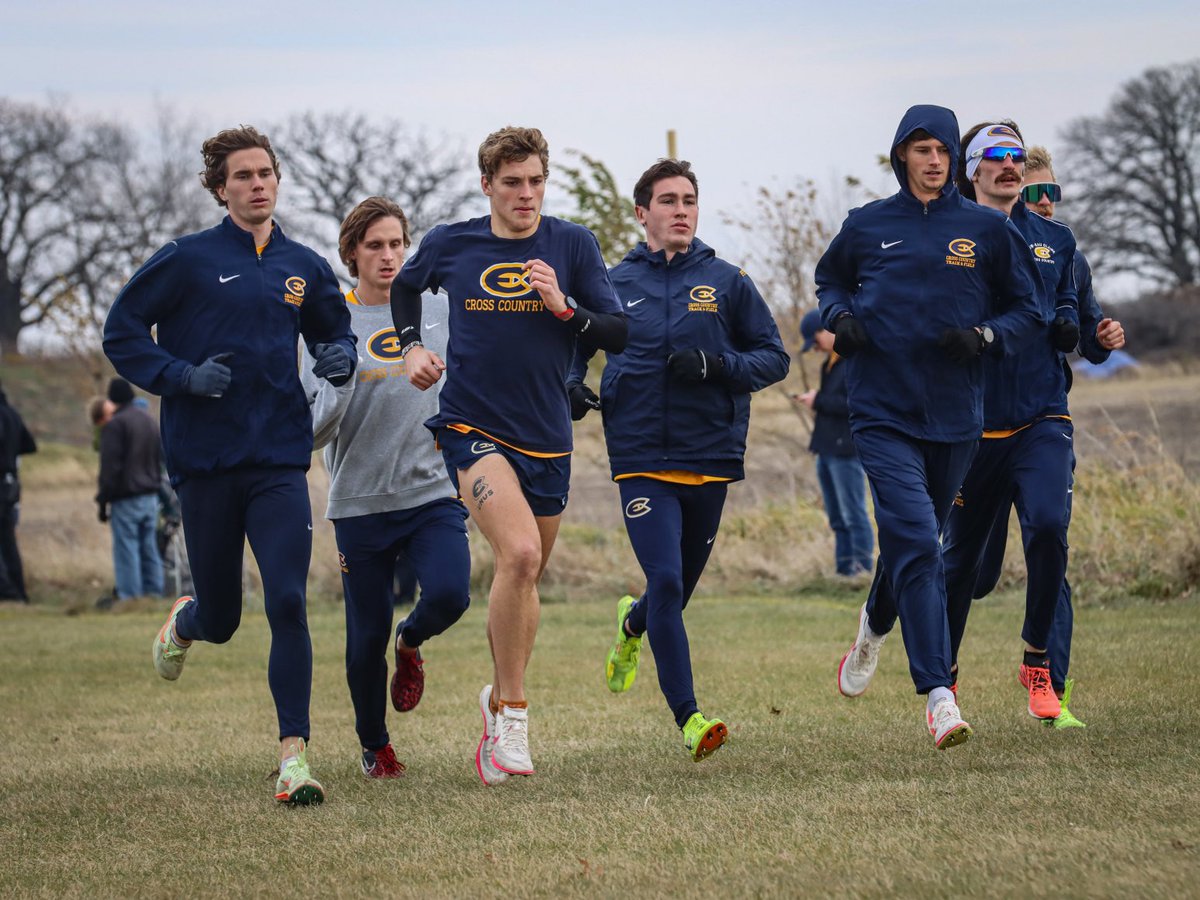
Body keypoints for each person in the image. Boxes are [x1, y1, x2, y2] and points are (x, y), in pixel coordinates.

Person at [104, 125, 357, 805]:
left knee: (287, 600)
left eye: (266, 172)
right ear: (221, 187)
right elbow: (121, 331)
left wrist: (337, 357)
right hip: (205, 461)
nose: (258, 184)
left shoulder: (303, 264)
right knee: (224, 618)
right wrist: (180, 376)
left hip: (278, 456)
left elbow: (334, 332)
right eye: (243, 175)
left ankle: (293, 759)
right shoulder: (184, 260)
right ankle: (188, 622)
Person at [390, 126, 627, 785]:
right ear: (488, 184)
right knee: (518, 554)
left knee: (523, 578)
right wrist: (411, 346)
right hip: (471, 426)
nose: (526, 194)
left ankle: (493, 704)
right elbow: (406, 289)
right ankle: (515, 721)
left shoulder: (573, 244)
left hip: (548, 435)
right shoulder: (451, 242)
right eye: (513, 182)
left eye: (536, 182)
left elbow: (619, 334)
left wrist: (563, 306)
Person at [817, 105, 1043, 749]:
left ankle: (873, 625)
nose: (934, 160)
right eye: (920, 150)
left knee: (910, 544)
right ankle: (939, 694)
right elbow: (829, 278)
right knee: (919, 539)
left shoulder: (986, 230)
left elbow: (1028, 309)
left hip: (955, 417)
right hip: (880, 410)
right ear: (901, 157)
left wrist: (984, 337)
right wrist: (841, 316)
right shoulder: (866, 224)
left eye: (943, 149)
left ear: (953, 158)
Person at [570, 158, 789, 760]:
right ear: (642, 213)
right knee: (665, 579)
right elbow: (575, 341)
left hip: (709, 454)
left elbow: (774, 358)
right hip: (640, 455)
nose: (681, 210)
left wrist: (718, 367)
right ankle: (690, 719)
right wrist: (571, 383)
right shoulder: (613, 283)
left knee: (673, 594)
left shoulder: (727, 280)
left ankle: (631, 625)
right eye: (668, 201)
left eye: (689, 199)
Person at [302, 196, 471, 780]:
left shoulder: (439, 312)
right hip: (359, 502)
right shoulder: (328, 325)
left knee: (452, 593)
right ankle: (375, 744)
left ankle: (413, 637)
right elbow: (312, 429)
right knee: (362, 638)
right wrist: (342, 381)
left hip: (431, 494)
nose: (389, 254)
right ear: (351, 253)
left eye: (398, 243)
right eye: (375, 245)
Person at [964, 145, 1126, 729]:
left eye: (1052, 192)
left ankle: (1050, 687)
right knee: (974, 576)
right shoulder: (977, 246)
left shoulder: (1065, 252)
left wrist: (1103, 337)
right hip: (979, 431)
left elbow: (1085, 330)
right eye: (1035, 193)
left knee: (1048, 538)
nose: (1046, 203)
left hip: (1044, 420)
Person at [797, 309, 874, 579]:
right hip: (826, 448)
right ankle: (844, 570)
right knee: (837, 516)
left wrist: (817, 401)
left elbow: (855, 405)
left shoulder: (854, 361)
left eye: (815, 341)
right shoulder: (829, 364)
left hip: (846, 450)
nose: (815, 348)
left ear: (827, 330)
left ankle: (862, 570)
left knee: (854, 513)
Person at [96, 377, 164, 603]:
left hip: (126, 497)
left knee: (127, 549)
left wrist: (103, 500)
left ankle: (130, 599)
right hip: (151, 496)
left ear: (113, 399)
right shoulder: (149, 420)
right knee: (149, 548)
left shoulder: (115, 425)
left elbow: (110, 467)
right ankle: (154, 594)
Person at [0, 380, 37, 602]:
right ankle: (19, 591)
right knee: (8, 540)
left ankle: (7, 592)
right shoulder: (12, 414)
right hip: (12, 484)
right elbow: (29, 445)